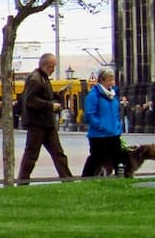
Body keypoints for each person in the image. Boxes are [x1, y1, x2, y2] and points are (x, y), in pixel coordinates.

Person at [16, 53, 72, 183]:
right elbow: (30, 100)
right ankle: (23, 181)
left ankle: (67, 179)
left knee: (58, 153)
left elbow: (43, 96)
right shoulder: (35, 79)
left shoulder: (43, 78)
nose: (53, 70)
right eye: (52, 67)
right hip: (37, 124)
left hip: (46, 123)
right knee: (32, 155)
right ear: (45, 65)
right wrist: (50, 106)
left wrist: (58, 94)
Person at [81, 69, 124, 178]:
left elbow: (115, 114)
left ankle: (121, 178)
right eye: (109, 80)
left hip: (114, 133)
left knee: (117, 158)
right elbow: (89, 115)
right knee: (96, 158)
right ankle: (86, 178)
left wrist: (118, 126)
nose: (112, 82)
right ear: (101, 81)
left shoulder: (113, 95)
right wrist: (101, 126)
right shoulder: (93, 95)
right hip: (99, 135)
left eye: (113, 79)